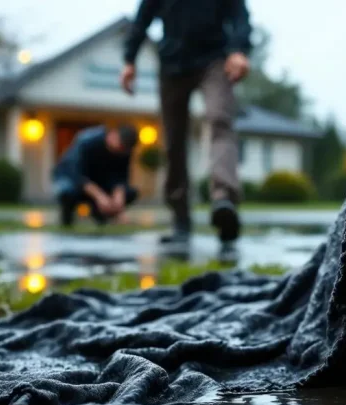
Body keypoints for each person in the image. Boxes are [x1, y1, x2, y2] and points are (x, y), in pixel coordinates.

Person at [120, 0, 252, 253]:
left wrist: (238, 50)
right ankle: (180, 219)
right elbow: (142, 19)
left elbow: (239, 15)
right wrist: (129, 59)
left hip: (215, 58)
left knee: (219, 121)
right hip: (172, 64)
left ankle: (224, 202)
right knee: (173, 139)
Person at [53, 124, 140, 227]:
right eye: (121, 147)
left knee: (130, 192)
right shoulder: (88, 141)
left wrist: (118, 196)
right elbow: (75, 173)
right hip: (73, 180)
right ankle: (67, 218)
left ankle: (101, 214)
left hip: (101, 182)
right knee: (66, 190)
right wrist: (99, 196)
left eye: (124, 150)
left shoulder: (124, 152)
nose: (121, 151)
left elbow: (121, 175)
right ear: (113, 135)